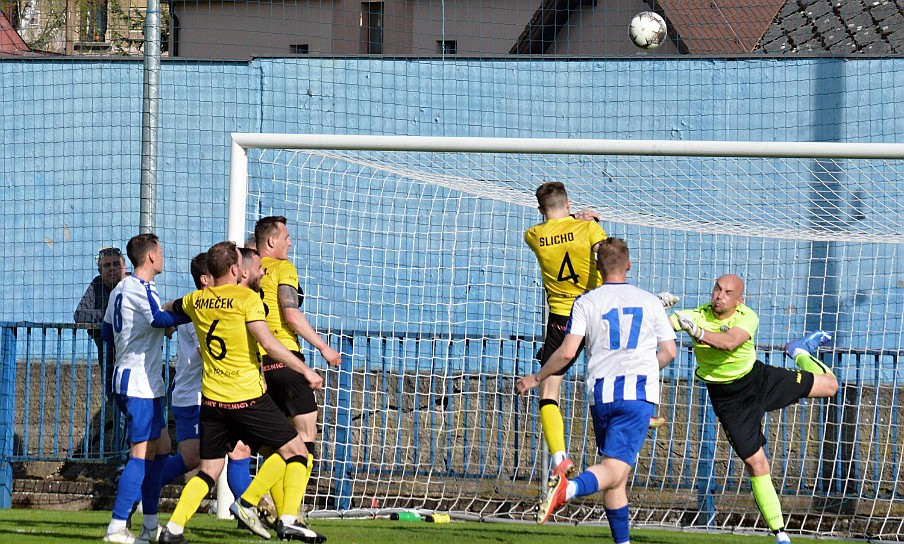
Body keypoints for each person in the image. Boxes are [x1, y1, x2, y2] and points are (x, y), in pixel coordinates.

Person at [158, 241, 326, 544]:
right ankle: (287, 519)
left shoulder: (197, 300)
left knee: (208, 471)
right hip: (246, 398)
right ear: (236, 269)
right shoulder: (247, 299)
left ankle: (173, 529)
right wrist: (305, 370)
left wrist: (161, 317)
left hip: (212, 401)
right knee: (299, 450)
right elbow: (271, 344)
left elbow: (171, 308)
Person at [516, 237, 677, 544]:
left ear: (597, 267)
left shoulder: (586, 302)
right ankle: (569, 489)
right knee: (614, 469)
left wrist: (537, 377)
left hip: (602, 396)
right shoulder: (650, 301)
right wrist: (644, 369)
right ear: (628, 264)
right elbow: (669, 351)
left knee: (617, 477)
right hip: (637, 395)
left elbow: (566, 353)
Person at [670, 274, 838, 544]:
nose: (720, 296)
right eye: (717, 289)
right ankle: (780, 533)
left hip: (759, 380)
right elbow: (660, 326)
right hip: (729, 399)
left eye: (728, 292)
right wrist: (653, 309)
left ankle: (799, 351)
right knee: (756, 462)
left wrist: (696, 332)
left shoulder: (748, 316)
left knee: (830, 386)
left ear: (739, 300)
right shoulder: (696, 315)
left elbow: (729, 342)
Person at [254, 216, 342, 521]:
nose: (290, 242)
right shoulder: (283, 268)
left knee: (276, 445)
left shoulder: (250, 272)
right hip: (286, 359)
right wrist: (323, 347)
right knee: (305, 439)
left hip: (259, 366)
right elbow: (291, 315)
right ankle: (272, 504)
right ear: (271, 241)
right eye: (286, 237)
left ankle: (278, 508)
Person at [100, 234, 184, 544]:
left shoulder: (120, 289)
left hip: (140, 381)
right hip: (137, 384)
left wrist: (136, 339)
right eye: (160, 252)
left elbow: (108, 332)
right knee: (141, 454)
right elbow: (159, 317)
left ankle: (150, 525)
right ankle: (117, 527)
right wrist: (193, 309)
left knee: (161, 449)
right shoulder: (141, 287)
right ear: (149, 257)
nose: (162, 257)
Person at [524, 181, 608, 478]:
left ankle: (560, 456)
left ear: (539, 209)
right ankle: (638, 414)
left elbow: (553, 228)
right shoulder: (589, 229)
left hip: (563, 317)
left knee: (550, 386)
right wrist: (591, 221)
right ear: (569, 203)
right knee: (610, 371)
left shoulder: (533, 235)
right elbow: (605, 255)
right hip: (596, 311)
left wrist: (573, 220)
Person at [159, 252, 255, 503]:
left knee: (239, 451)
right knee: (192, 460)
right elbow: (210, 352)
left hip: (217, 395)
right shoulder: (199, 312)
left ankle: (251, 510)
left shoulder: (209, 307)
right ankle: (140, 487)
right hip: (192, 397)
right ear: (205, 279)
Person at [75, 246, 127, 397]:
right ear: (100, 271)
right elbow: (79, 315)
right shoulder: (97, 285)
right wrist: (108, 315)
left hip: (131, 355)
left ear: (124, 268)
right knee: (112, 396)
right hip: (107, 356)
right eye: (106, 265)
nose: (112, 269)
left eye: (116, 264)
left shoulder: (132, 285)